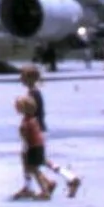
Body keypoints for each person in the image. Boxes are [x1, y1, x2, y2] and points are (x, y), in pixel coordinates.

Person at [18, 66, 80, 197]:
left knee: (29, 159)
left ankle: (31, 186)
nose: (20, 78)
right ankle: (64, 178)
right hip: (37, 128)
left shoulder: (32, 94)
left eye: (22, 76)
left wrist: (28, 127)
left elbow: (32, 112)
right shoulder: (34, 92)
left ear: (29, 78)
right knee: (38, 160)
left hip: (34, 130)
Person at [12, 94, 56, 200]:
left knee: (34, 169)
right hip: (38, 145)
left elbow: (25, 137)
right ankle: (48, 183)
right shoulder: (32, 119)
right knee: (33, 168)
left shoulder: (26, 122)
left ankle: (45, 191)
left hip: (33, 147)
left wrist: (25, 150)